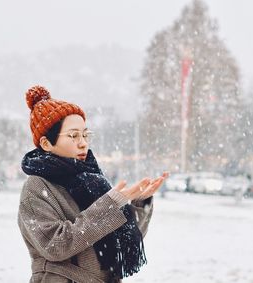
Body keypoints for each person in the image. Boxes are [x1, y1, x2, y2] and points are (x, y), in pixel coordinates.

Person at [17, 86, 168, 283]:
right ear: (46, 144)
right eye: (73, 135)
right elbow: (56, 245)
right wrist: (110, 204)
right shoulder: (36, 187)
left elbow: (118, 236)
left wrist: (139, 203)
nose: (82, 143)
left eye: (85, 135)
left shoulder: (92, 180)